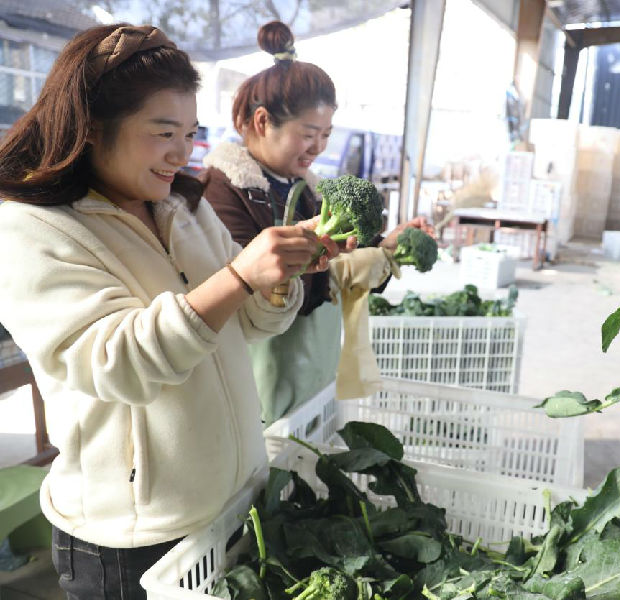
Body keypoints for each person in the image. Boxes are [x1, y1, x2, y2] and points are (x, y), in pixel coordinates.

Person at [0, 24, 341, 598]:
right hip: (132, 537)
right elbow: (119, 363)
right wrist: (237, 276)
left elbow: (253, 323)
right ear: (90, 129)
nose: (182, 152)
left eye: (190, 133)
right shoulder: (30, 230)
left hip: (228, 509)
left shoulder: (184, 206)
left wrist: (280, 278)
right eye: (163, 132)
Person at [203, 20, 432, 420]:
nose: (319, 147)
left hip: (313, 374)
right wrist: (346, 271)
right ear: (261, 123)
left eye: (326, 133)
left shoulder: (309, 189)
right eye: (309, 133)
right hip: (255, 390)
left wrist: (386, 247)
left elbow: (343, 256)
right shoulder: (223, 190)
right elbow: (253, 291)